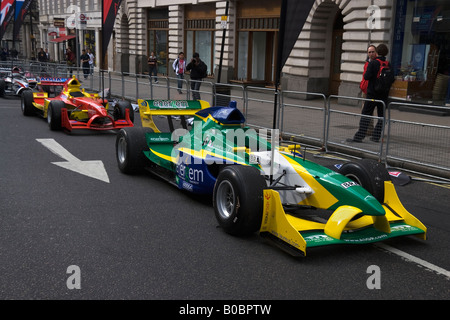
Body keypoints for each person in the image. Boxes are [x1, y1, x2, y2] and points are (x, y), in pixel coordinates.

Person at [349, 44, 391, 143]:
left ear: (377, 52)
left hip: (372, 93)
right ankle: (376, 136)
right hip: (383, 95)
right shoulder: (388, 64)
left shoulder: (373, 63)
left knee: (366, 114)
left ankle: (359, 136)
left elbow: (367, 76)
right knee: (381, 116)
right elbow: (391, 79)